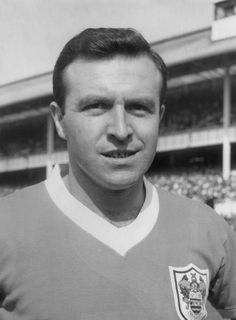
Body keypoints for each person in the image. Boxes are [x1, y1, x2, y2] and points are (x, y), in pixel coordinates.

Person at [0, 28, 236, 320]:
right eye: (96, 106)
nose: (121, 130)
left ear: (159, 118)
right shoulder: (6, 225)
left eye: (139, 108)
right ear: (60, 121)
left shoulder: (210, 228)